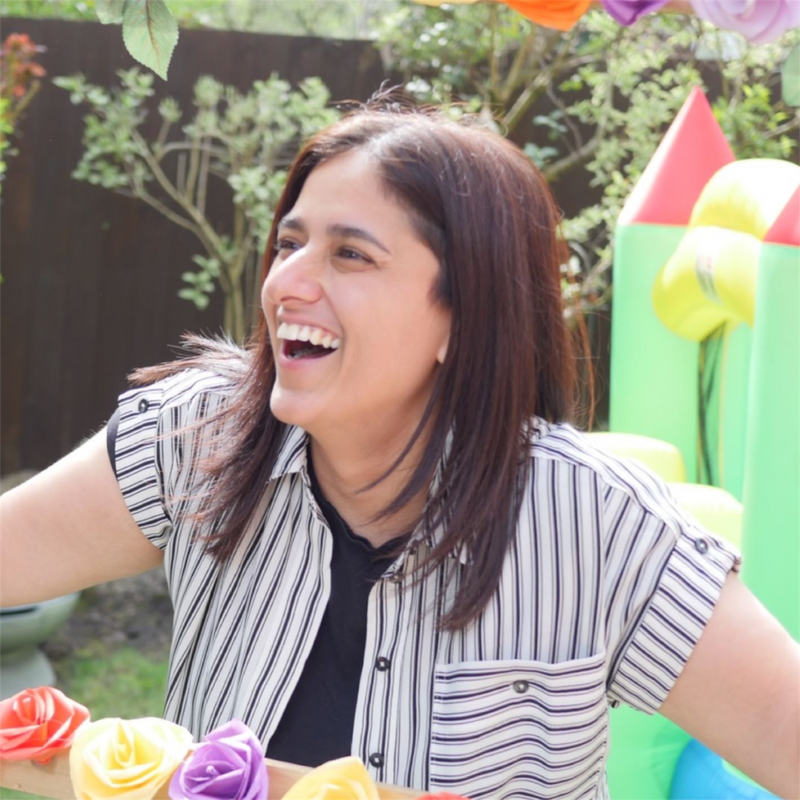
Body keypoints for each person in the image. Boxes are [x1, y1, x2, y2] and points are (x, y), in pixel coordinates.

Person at [1, 91, 798, 800]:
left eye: (351, 254)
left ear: (464, 315)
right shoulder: (193, 438)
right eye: (290, 244)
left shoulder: (600, 524)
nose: (287, 283)